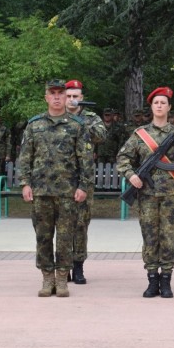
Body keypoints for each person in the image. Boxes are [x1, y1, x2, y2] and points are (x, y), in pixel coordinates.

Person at [19, 79, 94, 298]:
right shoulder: (34, 125)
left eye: (61, 93)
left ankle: (62, 280)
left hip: (67, 192)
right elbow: (25, 157)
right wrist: (25, 183)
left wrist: (84, 187)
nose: (57, 97)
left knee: (64, 238)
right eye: (53, 93)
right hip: (41, 192)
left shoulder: (77, 126)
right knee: (43, 237)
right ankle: (47, 279)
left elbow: (86, 160)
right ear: (46, 97)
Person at [116, 86, 174, 298]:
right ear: (151, 107)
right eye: (156, 103)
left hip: (170, 195)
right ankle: (151, 279)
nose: (159, 106)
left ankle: (166, 280)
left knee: (168, 238)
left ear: (169, 107)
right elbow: (122, 159)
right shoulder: (140, 134)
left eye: (163, 103)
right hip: (146, 195)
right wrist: (131, 176)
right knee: (149, 238)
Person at [65, 79, 107, 284]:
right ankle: (63, 267)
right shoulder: (56, 117)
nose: (72, 100)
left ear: (82, 99)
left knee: (81, 224)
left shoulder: (91, 118)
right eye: (69, 96)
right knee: (62, 224)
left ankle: (78, 266)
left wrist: (80, 122)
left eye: (76, 97)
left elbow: (101, 136)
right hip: (60, 179)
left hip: (83, 179)